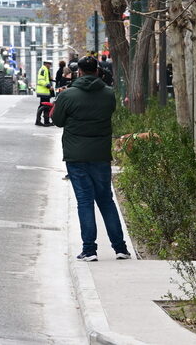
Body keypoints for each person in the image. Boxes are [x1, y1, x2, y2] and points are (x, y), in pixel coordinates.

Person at [52, 56, 130, 261]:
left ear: (79, 72)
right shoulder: (108, 94)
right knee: (106, 200)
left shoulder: (68, 95)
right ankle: (120, 248)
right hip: (100, 154)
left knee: (85, 201)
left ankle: (89, 250)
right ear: (97, 70)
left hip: (76, 156)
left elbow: (58, 121)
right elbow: (109, 111)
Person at [35, 60, 53, 125]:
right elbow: (41, 80)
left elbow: (46, 79)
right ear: (46, 64)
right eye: (49, 64)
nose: (50, 66)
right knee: (44, 106)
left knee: (44, 106)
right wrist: (48, 86)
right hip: (43, 91)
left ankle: (42, 121)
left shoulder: (46, 70)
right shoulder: (43, 70)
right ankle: (42, 121)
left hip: (45, 91)